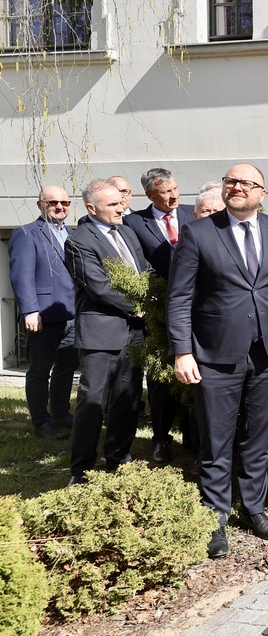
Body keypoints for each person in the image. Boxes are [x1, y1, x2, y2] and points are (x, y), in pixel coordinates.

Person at [167, 164, 268, 558]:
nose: (238, 187)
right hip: (213, 354)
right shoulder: (199, 233)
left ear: (263, 193)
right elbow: (179, 298)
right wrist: (182, 350)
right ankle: (215, 520)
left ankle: (254, 509)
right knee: (215, 439)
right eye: (231, 181)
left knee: (258, 436)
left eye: (247, 183)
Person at [65, 180, 149, 484]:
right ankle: (82, 469)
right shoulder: (79, 241)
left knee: (128, 397)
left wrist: (153, 296)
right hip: (101, 333)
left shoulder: (126, 231)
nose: (121, 207)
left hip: (134, 332)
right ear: (92, 208)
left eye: (121, 201)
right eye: (113, 204)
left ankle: (118, 458)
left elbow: (143, 270)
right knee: (93, 402)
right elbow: (98, 285)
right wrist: (138, 306)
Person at [125, 167, 196, 463]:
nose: (173, 195)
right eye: (166, 192)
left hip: (198, 309)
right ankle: (160, 438)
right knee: (160, 379)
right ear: (150, 195)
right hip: (158, 312)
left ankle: (194, 440)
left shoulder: (195, 213)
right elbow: (134, 262)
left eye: (175, 188)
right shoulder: (134, 222)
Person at [9, 185, 78, 440]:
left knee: (66, 367)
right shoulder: (27, 233)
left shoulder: (72, 233)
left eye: (65, 203)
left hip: (70, 314)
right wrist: (30, 310)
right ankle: (41, 422)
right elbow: (21, 276)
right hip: (42, 316)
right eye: (53, 202)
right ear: (41, 205)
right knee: (39, 370)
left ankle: (60, 413)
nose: (60, 207)